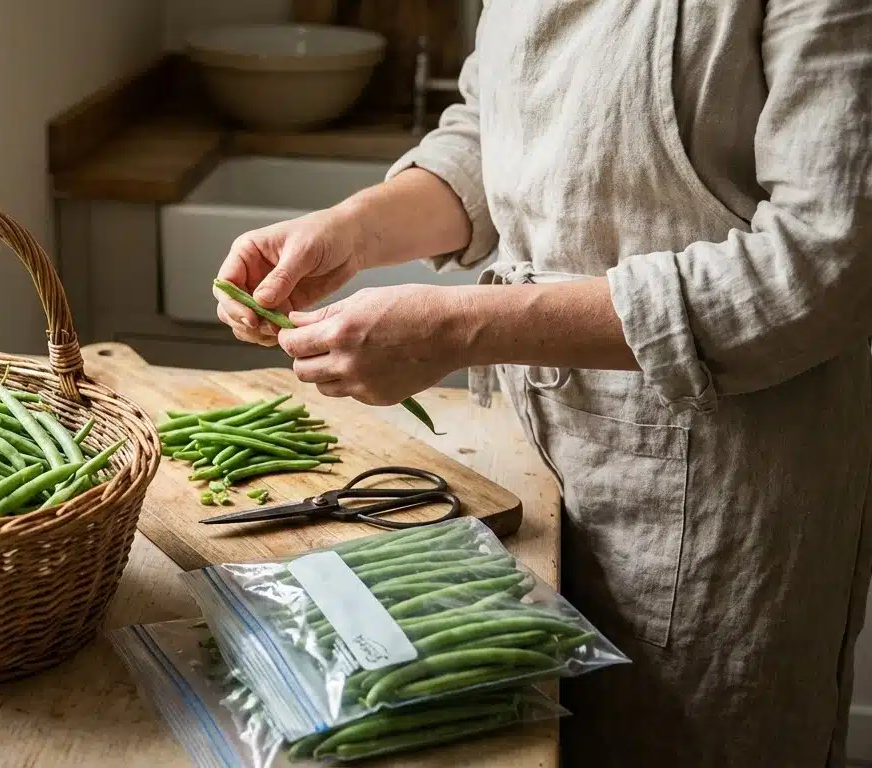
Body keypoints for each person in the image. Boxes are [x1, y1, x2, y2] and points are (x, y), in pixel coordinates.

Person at [213, 2, 872, 765]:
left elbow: (823, 268)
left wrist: (460, 329)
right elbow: (491, 128)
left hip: (721, 495)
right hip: (523, 453)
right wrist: (354, 229)